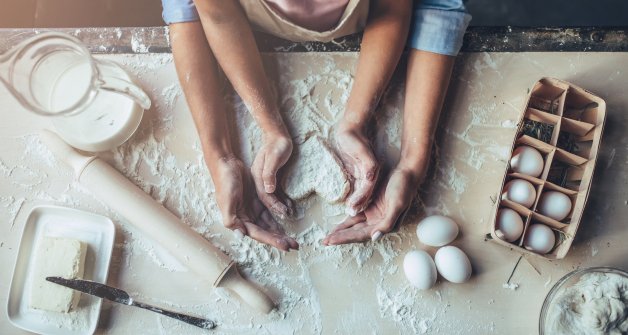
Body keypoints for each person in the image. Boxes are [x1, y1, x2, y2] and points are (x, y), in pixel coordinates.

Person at [160, 0, 470, 250]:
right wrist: (221, 155)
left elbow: (431, 4)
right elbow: (198, 8)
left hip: (373, 22)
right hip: (241, 30)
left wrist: (412, 160)